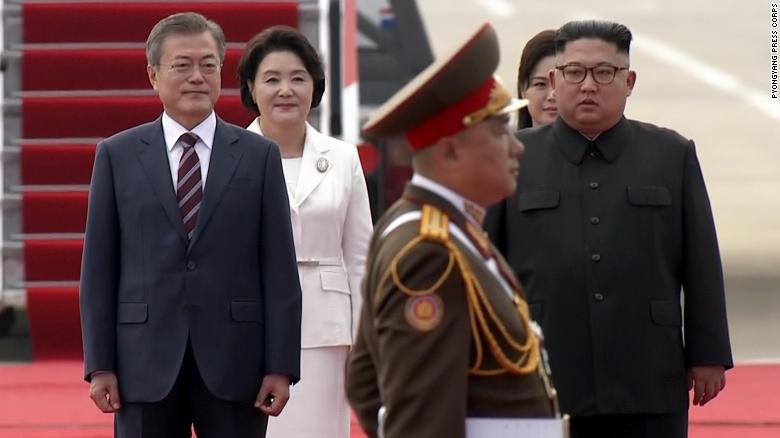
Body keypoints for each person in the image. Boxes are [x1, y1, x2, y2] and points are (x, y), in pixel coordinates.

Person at [485, 20, 733, 438]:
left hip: (648, 371)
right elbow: (487, 264)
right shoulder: (514, 157)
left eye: (604, 73)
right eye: (574, 73)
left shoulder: (671, 155)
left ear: (629, 80)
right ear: (553, 79)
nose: (588, 86)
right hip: (544, 367)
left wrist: (708, 354)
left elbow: (701, 262)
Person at [79, 12, 302, 437]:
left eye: (209, 65)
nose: (197, 76)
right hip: (142, 365)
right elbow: (98, 269)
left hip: (237, 363)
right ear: (154, 75)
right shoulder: (117, 155)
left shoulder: (259, 157)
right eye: (182, 65)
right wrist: (99, 364)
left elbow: (279, 269)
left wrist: (281, 365)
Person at [346, 23, 561, 438]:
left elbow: (366, 384)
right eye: (499, 131)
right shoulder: (430, 251)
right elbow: (420, 422)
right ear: (449, 150)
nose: (517, 146)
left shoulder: (445, 228)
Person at [237, 25, 373, 437]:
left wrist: (364, 339)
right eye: (272, 79)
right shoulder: (229, 158)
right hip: (250, 324)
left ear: (315, 87)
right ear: (250, 87)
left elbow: (361, 256)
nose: (285, 90)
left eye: (298, 79)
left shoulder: (344, 158)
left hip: (326, 328)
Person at [516, 29, 558, 129]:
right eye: (540, 84)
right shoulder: (503, 144)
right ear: (523, 90)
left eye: (560, 84)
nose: (552, 95)